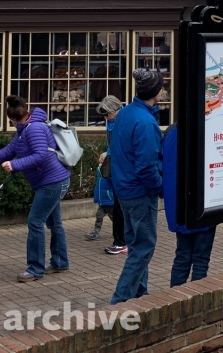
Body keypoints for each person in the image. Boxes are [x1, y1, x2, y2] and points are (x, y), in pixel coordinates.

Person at [0, 96, 70, 281]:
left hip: (51, 182)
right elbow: (9, 151)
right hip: (52, 180)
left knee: (35, 222)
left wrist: (15, 165)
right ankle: (60, 263)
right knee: (54, 223)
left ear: (13, 118)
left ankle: (35, 269)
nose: (11, 123)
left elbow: (41, 155)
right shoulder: (24, 130)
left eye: (10, 121)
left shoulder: (34, 128)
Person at [110, 69, 164, 304]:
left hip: (123, 189)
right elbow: (146, 166)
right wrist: (160, 188)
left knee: (135, 244)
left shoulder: (125, 114)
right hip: (140, 192)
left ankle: (139, 292)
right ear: (155, 92)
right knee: (144, 247)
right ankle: (120, 300)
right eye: (162, 86)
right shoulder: (145, 122)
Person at [162, 124, 223, 285]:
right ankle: (195, 300)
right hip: (204, 205)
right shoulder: (209, 130)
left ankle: (175, 299)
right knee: (201, 259)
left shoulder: (171, 132)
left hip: (180, 207)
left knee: (182, 256)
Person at [99, 95, 128, 255]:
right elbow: (110, 144)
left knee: (120, 208)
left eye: (107, 114)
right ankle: (121, 240)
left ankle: (121, 242)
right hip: (116, 167)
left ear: (115, 110)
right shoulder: (110, 122)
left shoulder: (124, 121)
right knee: (118, 206)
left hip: (124, 170)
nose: (105, 118)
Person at [85, 153, 114, 241]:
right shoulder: (99, 173)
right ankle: (96, 232)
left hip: (110, 201)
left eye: (102, 163)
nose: (100, 165)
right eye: (100, 163)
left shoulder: (110, 173)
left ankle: (121, 232)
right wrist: (97, 198)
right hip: (102, 201)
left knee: (114, 218)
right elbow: (98, 187)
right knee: (99, 216)